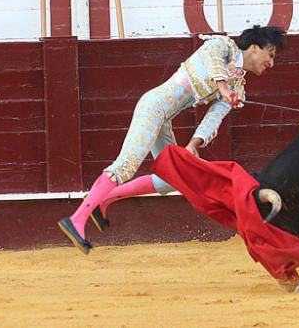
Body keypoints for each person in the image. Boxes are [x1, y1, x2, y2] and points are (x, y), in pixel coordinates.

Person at [57, 25, 287, 253]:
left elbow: (213, 118)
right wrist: (223, 88)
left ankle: (104, 199)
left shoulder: (238, 85)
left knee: (170, 179)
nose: (272, 63)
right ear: (255, 48)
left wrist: (193, 144)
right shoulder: (222, 46)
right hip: (153, 108)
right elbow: (211, 59)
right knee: (124, 166)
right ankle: (76, 220)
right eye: (271, 54)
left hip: (163, 118)